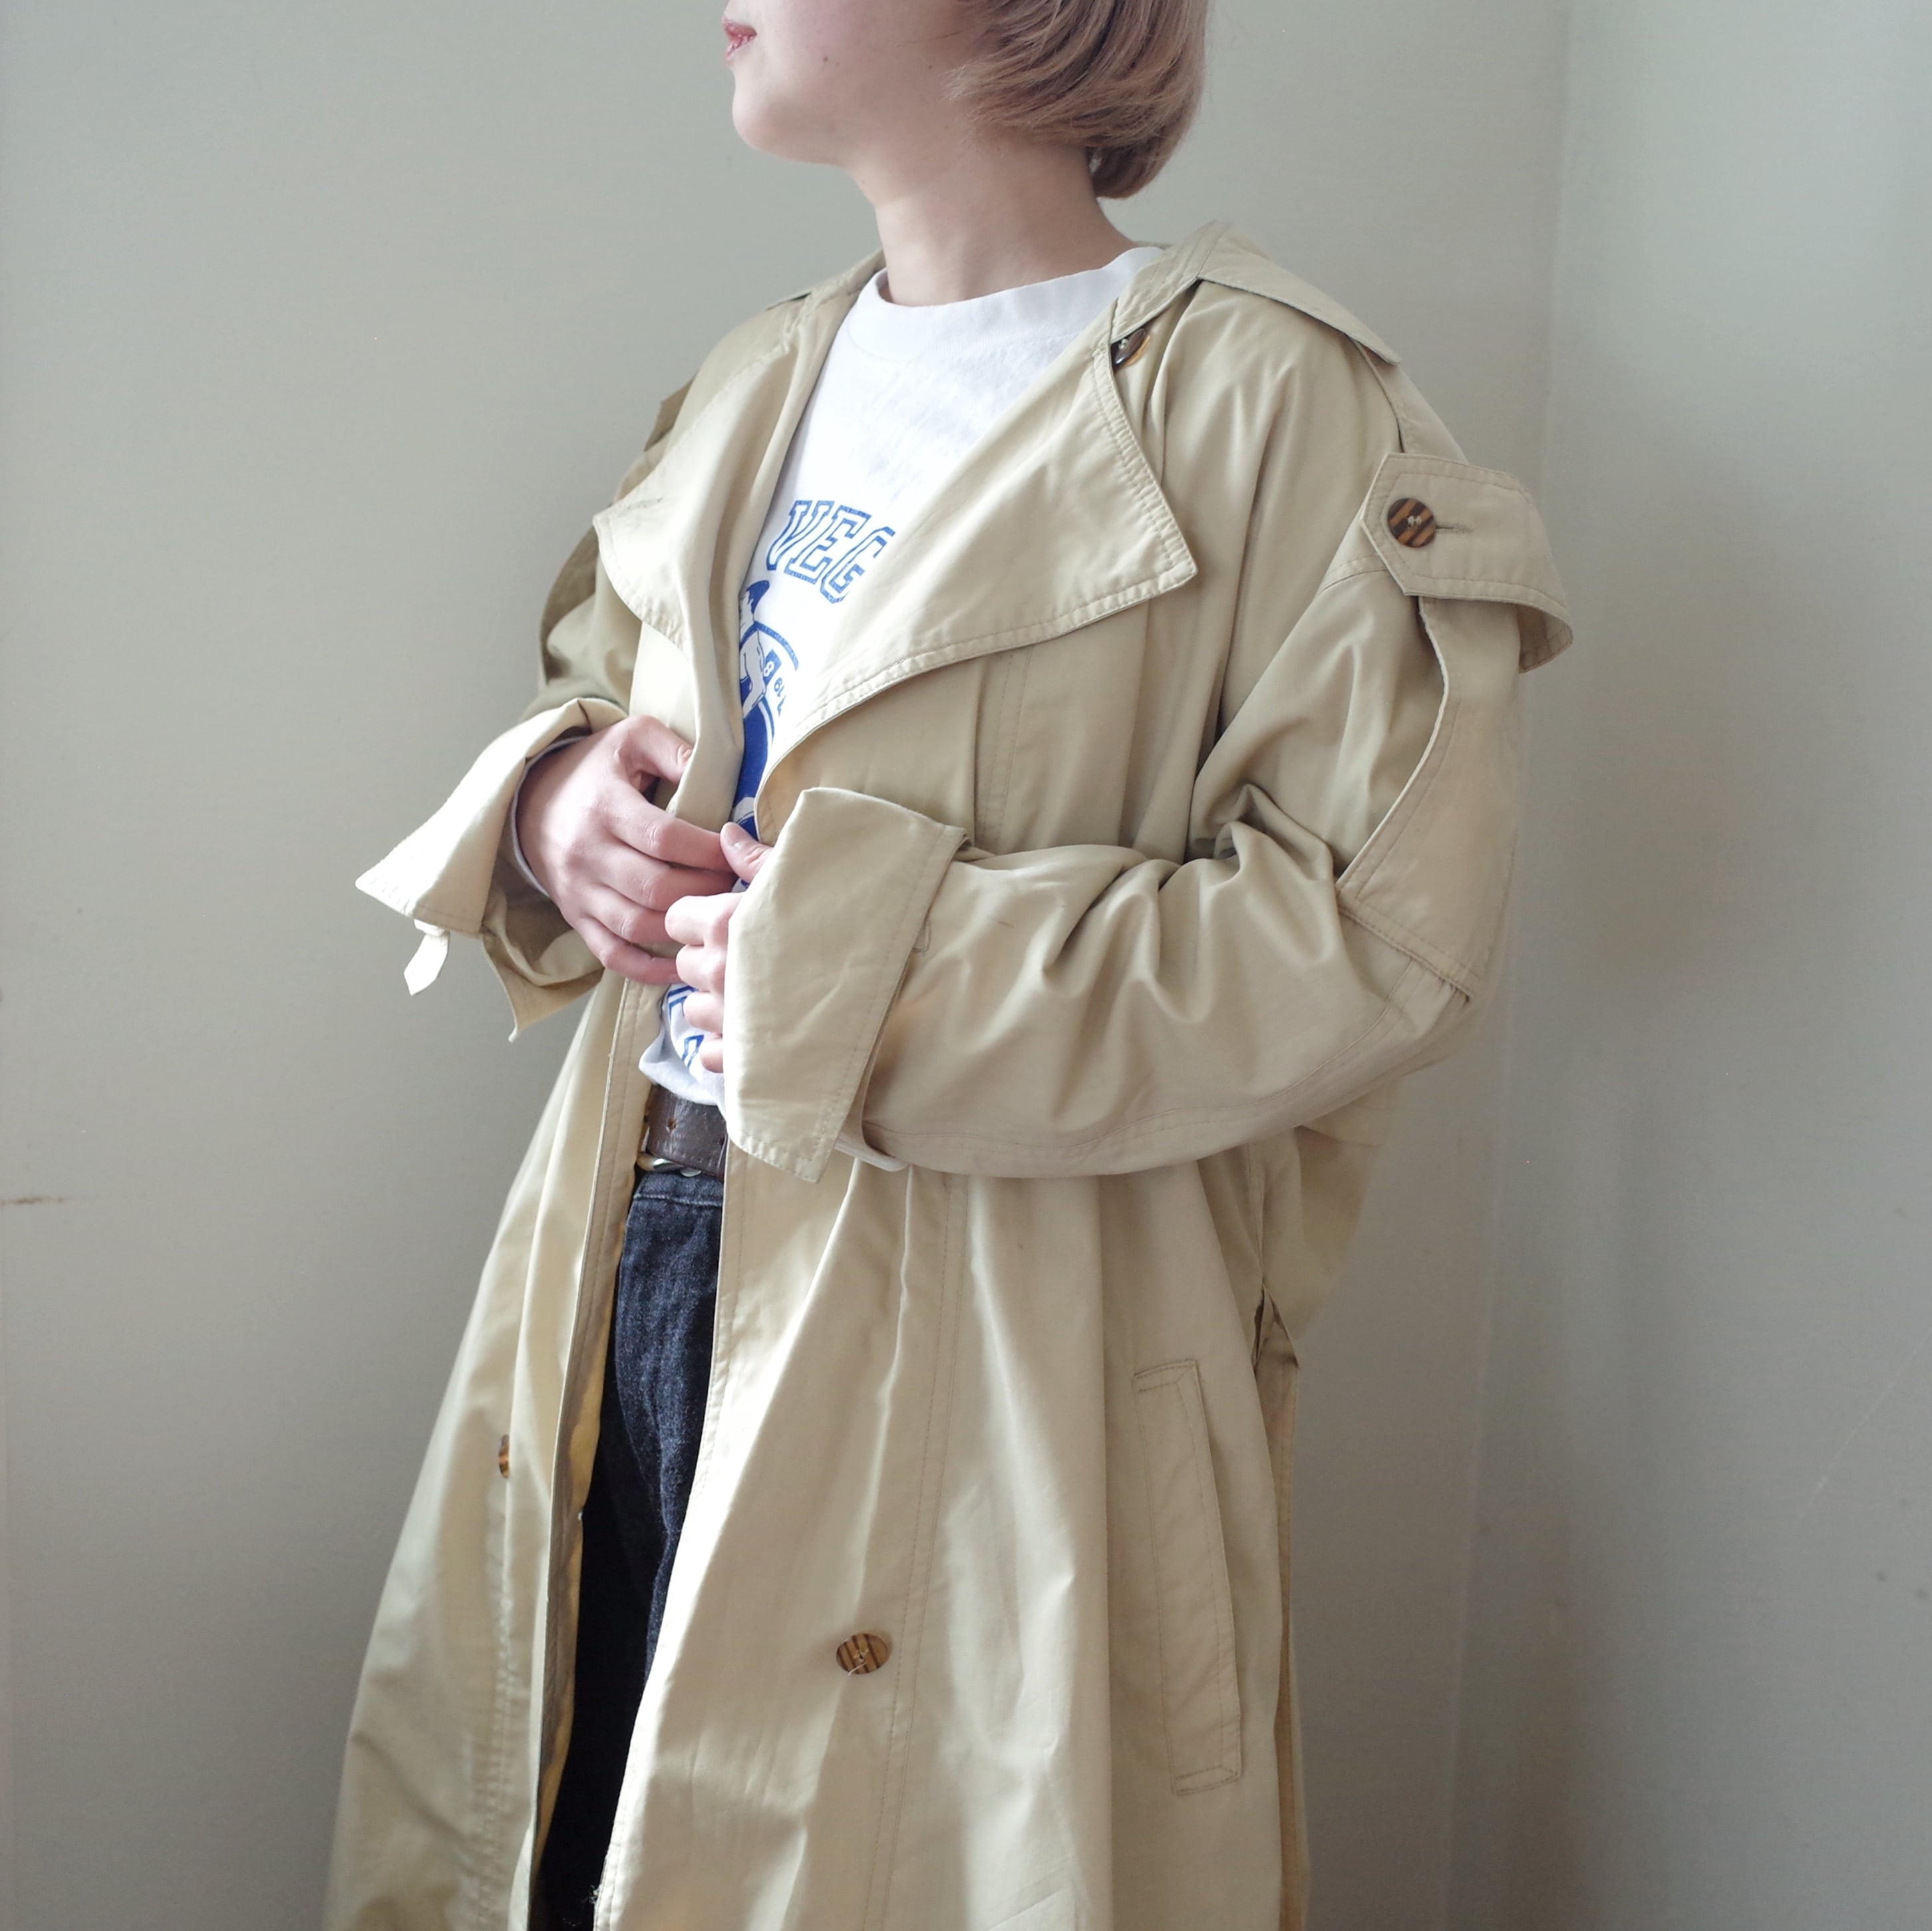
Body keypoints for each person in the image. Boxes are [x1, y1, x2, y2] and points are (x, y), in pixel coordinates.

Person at [325, 1, 1571, 1926]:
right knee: (573, 1843)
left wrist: (869, 979)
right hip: (637, 1242)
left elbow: (1375, 930)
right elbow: (612, 689)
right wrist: (556, 800)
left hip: (1001, 1334)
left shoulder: (1272, 399)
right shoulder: (760, 376)